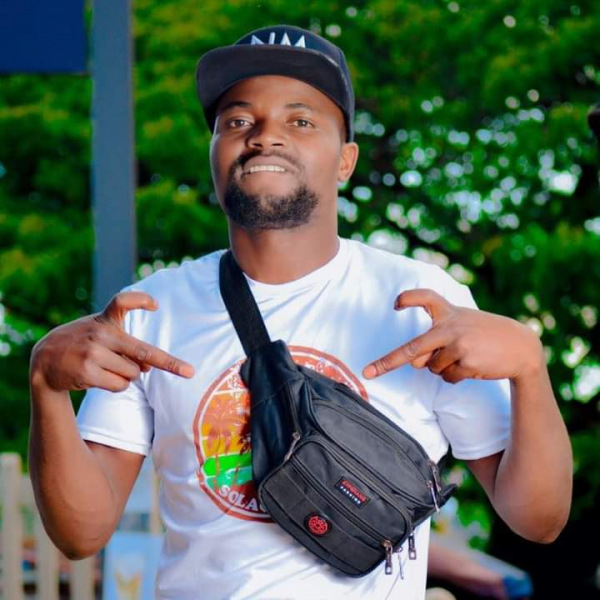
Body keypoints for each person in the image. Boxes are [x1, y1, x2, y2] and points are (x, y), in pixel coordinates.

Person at [28, 24, 572, 600]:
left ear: (346, 161)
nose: (264, 137)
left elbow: (537, 520)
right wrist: (45, 385)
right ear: (214, 152)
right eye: (238, 121)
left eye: (301, 121)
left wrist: (529, 368)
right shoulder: (148, 313)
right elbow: (81, 534)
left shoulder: (422, 302)